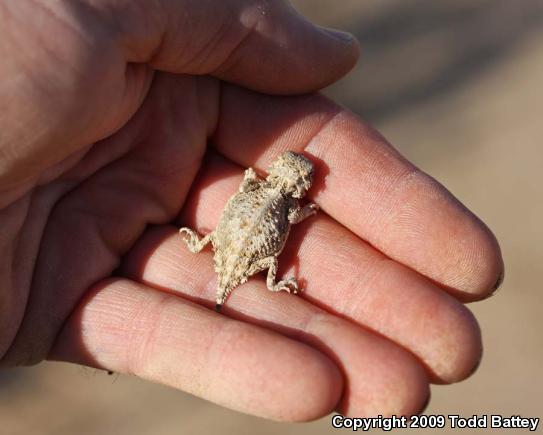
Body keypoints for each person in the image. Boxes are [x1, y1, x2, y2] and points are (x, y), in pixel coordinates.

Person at [0, 0, 503, 422]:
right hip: (239, 249)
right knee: (262, 270)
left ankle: (230, 270)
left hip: (226, 244)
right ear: (295, 181)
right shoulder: (290, 202)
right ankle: (256, 281)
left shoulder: (265, 186)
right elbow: (281, 217)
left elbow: (252, 197)